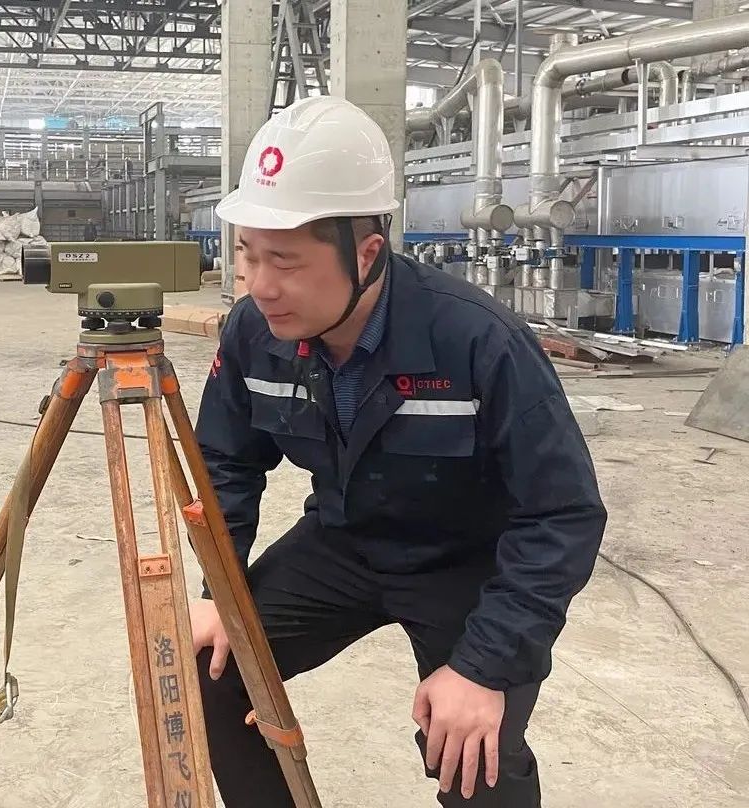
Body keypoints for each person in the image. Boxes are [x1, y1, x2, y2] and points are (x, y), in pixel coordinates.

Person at [192, 95, 607, 807]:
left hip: (464, 560)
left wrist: (483, 669)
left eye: (285, 261)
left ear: (368, 254)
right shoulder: (253, 332)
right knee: (209, 669)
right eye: (247, 255)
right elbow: (226, 463)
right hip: (344, 539)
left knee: (473, 754)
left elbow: (562, 514)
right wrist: (217, 593)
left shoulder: (477, 340)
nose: (261, 286)